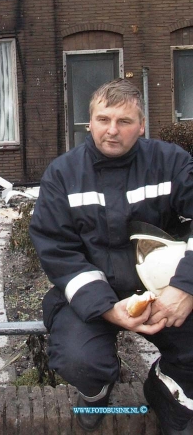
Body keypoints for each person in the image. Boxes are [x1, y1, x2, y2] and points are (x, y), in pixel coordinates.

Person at [29, 79, 193, 435]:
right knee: (78, 359)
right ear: (89, 122)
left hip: (162, 287)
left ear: (142, 124)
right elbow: (56, 248)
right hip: (91, 292)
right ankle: (97, 391)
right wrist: (105, 307)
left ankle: (167, 392)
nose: (112, 131)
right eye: (103, 120)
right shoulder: (63, 174)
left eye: (124, 121)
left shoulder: (172, 163)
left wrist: (185, 286)